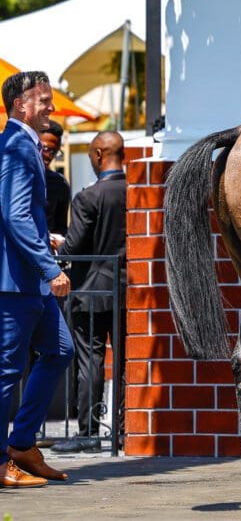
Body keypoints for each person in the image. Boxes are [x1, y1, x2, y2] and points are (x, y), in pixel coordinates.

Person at [0, 71, 74, 488]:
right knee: (6, 372)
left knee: (60, 350)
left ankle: (22, 444)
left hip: (28, 279)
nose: (51, 106)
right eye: (43, 100)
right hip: (15, 281)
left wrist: (41, 242)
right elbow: (13, 214)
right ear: (19, 105)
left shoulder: (20, 145)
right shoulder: (15, 145)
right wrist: (49, 267)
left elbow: (13, 213)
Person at [51, 132, 127, 454]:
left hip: (91, 292)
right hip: (126, 291)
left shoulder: (88, 197)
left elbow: (73, 246)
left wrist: (58, 243)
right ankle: (123, 431)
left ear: (98, 154)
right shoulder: (136, 193)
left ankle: (89, 432)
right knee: (125, 362)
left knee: (90, 362)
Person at [39, 120, 70, 237]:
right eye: (46, 149)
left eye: (55, 152)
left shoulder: (60, 184)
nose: (49, 156)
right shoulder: (12, 177)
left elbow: (61, 227)